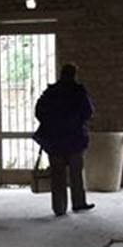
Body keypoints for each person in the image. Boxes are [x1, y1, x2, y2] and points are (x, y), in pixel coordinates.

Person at [33, 63, 95, 216]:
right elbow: (88, 112)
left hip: (55, 140)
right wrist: (77, 122)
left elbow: (39, 111)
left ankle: (59, 207)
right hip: (75, 139)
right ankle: (78, 203)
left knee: (57, 175)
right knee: (76, 174)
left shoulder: (51, 92)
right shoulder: (78, 92)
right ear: (74, 75)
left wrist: (50, 123)